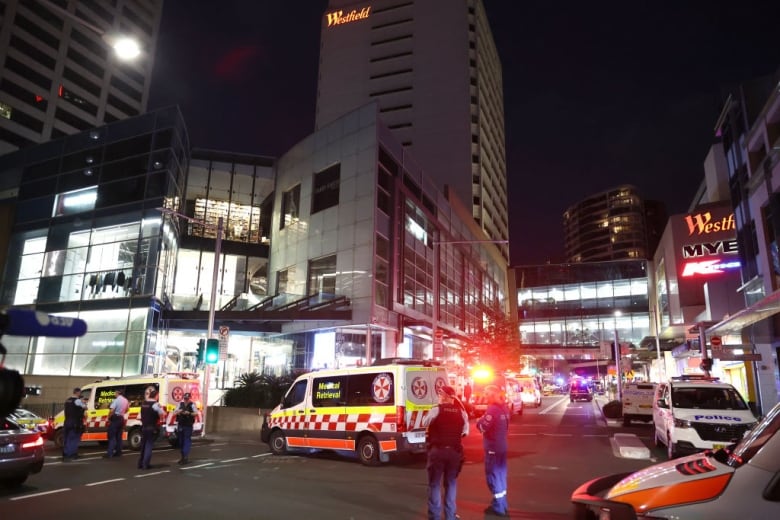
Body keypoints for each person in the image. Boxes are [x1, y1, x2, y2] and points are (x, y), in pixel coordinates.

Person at [423, 385, 469, 520]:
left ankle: (435, 516)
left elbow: (425, 422)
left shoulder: (436, 410)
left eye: (440, 394)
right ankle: (450, 516)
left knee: (435, 484)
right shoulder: (462, 412)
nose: (439, 397)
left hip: (438, 451)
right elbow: (465, 432)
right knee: (451, 484)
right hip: (454, 452)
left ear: (444, 396)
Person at [476, 384, 510, 517]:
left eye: (486, 393)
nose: (484, 396)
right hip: (502, 446)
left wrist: (479, 421)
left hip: (492, 448)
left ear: (491, 395)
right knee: (501, 475)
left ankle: (498, 507)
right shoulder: (504, 408)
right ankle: (502, 503)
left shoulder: (492, 409)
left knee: (493, 476)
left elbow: (483, 427)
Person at [138, 387, 164, 470]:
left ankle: (140, 464)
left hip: (144, 427)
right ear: (156, 396)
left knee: (143, 446)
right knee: (149, 446)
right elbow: (162, 413)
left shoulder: (144, 403)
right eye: (158, 396)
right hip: (151, 427)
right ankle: (146, 464)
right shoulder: (155, 405)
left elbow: (140, 416)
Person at [63, 387, 87, 461]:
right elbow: (85, 407)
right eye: (80, 393)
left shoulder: (67, 400)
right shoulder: (77, 401)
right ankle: (71, 454)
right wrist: (83, 402)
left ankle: (66, 453)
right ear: (78, 393)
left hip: (67, 421)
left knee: (67, 439)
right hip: (75, 422)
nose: (80, 394)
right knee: (73, 439)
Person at [172, 392, 197, 464]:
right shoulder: (180, 404)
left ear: (189, 398)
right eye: (185, 398)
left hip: (188, 425)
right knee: (181, 442)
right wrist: (178, 411)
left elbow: (196, 413)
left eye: (187, 398)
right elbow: (174, 413)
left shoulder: (192, 405)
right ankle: (182, 457)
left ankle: (185, 457)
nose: (186, 400)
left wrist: (189, 413)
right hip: (181, 425)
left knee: (186, 441)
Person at [105, 387, 129, 458]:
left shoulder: (116, 400)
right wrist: (122, 412)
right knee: (119, 437)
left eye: (115, 392)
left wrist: (108, 418)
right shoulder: (125, 400)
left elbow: (112, 410)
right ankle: (119, 452)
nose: (114, 394)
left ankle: (110, 453)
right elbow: (127, 409)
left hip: (115, 418)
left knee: (112, 436)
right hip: (121, 418)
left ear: (118, 392)